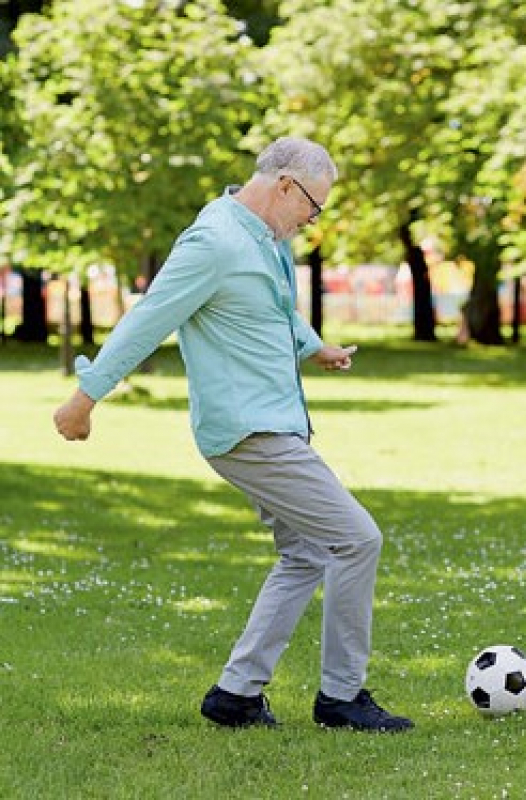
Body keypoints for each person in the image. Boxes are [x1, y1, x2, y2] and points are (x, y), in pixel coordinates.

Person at [53, 136, 413, 734]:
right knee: (357, 539)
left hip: (274, 424)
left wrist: (312, 346)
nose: (311, 220)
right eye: (312, 206)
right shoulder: (213, 242)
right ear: (283, 186)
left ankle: (235, 695)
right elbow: (149, 319)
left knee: (304, 553)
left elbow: (272, 309)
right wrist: (85, 397)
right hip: (250, 430)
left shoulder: (261, 241)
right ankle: (341, 698)